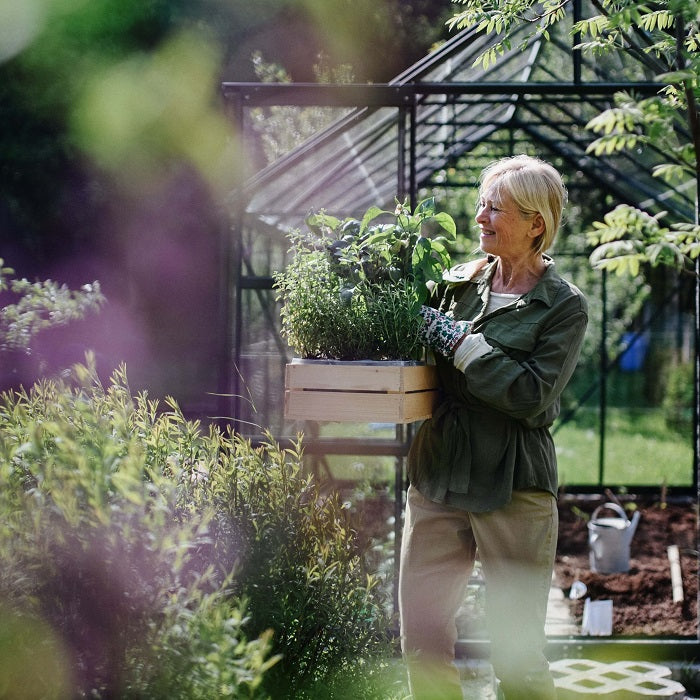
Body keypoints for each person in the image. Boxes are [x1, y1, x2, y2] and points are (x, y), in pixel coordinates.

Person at [399, 154, 588, 700]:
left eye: (495, 208)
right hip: (438, 476)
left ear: (536, 223)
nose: (480, 217)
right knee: (423, 637)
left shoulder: (562, 306)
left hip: (513, 485)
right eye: (480, 205)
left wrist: (463, 345)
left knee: (517, 651)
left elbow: (531, 395)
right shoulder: (458, 284)